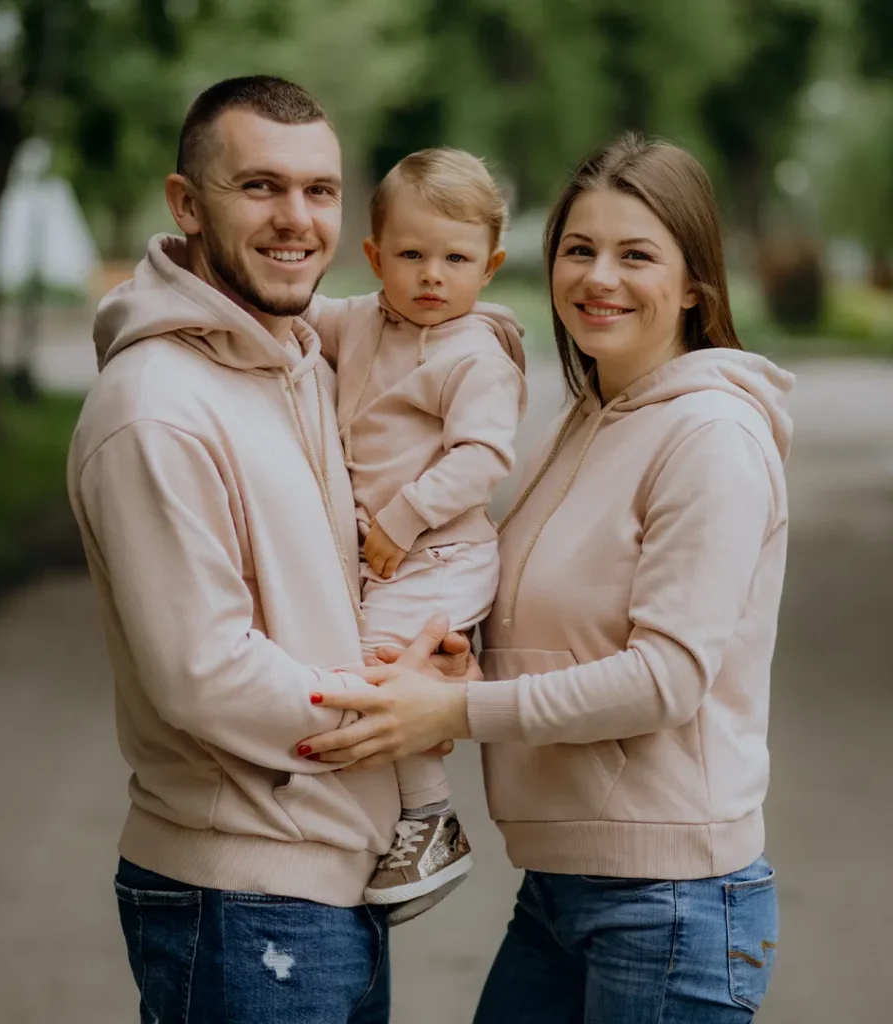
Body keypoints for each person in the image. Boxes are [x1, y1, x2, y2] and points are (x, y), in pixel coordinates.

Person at [299, 132, 794, 1022]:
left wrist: (456, 714)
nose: (599, 277)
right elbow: (555, 628)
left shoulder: (711, 439)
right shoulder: (583, 423)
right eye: (579, 249)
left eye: (635, 255)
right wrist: (463, 668)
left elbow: (665, 680)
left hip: (671, 903)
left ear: (694, 284)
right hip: (561, 890)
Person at [67, 74, 442, 1024]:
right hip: (238, 901)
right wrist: (390, 712)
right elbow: (205, 673)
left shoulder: (300, 364)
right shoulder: (155, 407)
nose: (296, 219)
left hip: (334, 886)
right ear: (187, 204)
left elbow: (330, 591)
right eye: (260, 187)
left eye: (320, 190)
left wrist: (423, 661)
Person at [304, 148, 526, 925]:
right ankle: (399, 806)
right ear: (375, 258)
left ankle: (431, 820)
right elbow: (287, 311)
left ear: (489, 267)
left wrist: (402, 517)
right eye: (411, 256)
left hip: (442, 555)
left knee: (378, 672)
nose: (433, 276)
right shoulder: (360, 320)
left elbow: (482, 457)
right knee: (367, 661)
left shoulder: (475, 356)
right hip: (390, 560)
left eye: (456, 259)